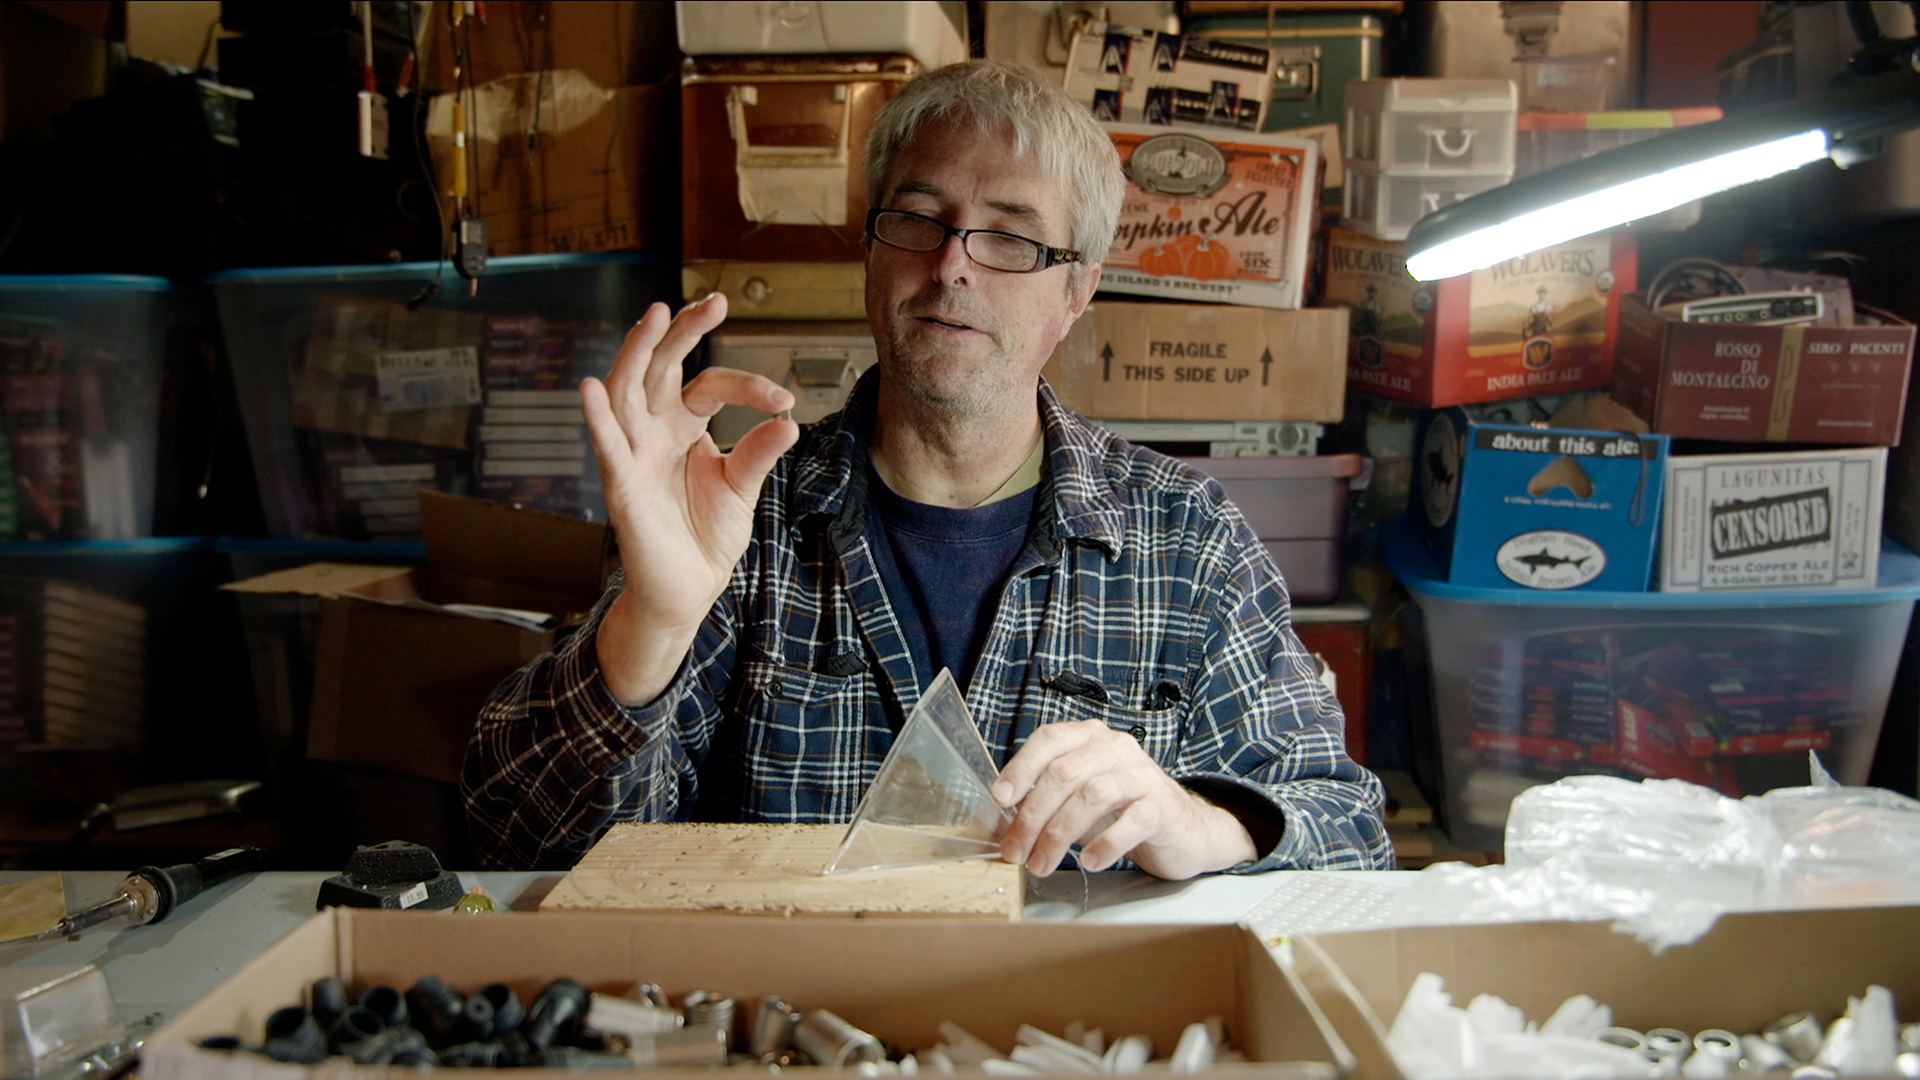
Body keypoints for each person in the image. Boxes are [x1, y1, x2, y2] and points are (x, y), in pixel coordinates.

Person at [462, 59, 1393, 878]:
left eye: (1011, 237)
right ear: (872, 251)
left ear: (1076, 291)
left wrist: (1196, 822)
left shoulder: (1186, 537)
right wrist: (653, 625)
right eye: (918, 219)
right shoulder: (738, 517)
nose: (952, 266)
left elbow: (1349, 831)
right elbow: (520, 846)